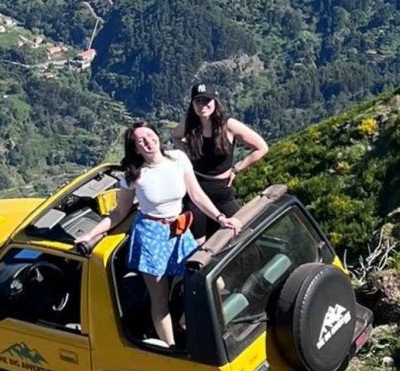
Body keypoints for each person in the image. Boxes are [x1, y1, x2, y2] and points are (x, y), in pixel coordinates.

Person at [75, 121, 242, 347]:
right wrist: (90, 235)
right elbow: (120, 212)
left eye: (150, 135)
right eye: (140, 140)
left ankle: (186, 323)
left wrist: (221, 218)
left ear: (157, 135)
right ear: (135, 148)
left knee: (213, 283)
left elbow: (196, 194)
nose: (148, 141)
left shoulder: (178, 159)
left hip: (179, 230)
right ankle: (171, 348)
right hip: (151, 235)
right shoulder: (133, 176)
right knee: (159, 298)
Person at [173, 83, 268, 240]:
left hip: (221, 190)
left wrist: (236, 169)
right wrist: (186, 154)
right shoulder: (189, 123)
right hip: (196, 186)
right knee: (199, 242)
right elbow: (175, 136)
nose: (202, 105)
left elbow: (261, 147)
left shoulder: (228, 125)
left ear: (215, 102)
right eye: (198, 101)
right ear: (192, 104)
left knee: (239, 233)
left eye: (206, 101)